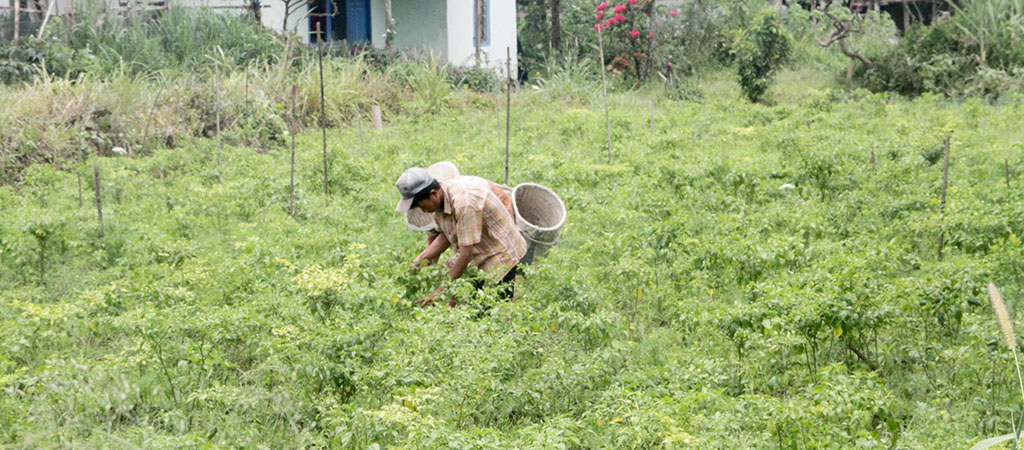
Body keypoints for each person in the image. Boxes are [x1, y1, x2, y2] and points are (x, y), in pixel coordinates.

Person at [395, 167, 526, 306]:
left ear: (432, 193)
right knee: (472, 304)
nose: (424, 211)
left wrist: (440, 291)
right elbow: (446, 235)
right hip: (478, 247)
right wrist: (419, 260)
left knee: (497, 306)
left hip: (500, 251)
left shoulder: (464, 204)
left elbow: (465, 255)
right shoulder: (439, 200)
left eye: (422, 206)